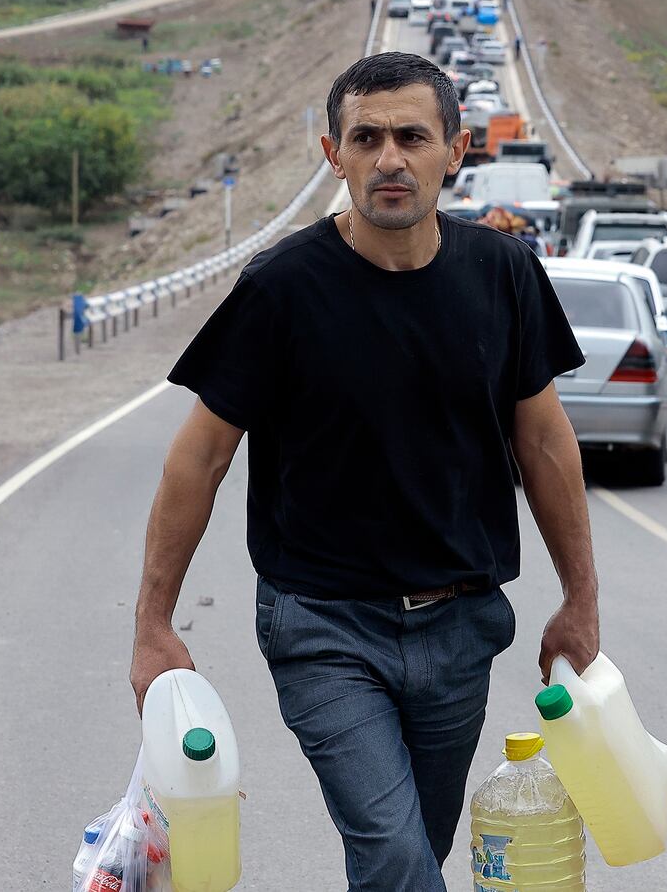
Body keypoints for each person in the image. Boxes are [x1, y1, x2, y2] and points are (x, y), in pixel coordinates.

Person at [130, 52, 600, 891]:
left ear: (454, 151)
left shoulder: (504, 276)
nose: (390, 158)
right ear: (332, 153)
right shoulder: (282, 289)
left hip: (460, 627)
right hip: (323, 627)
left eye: (412, 136)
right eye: (367, 137)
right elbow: (200, 456)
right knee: (391, 850)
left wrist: (580, 600)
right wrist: (153, 621)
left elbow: (546, 446)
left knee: (415, 850)